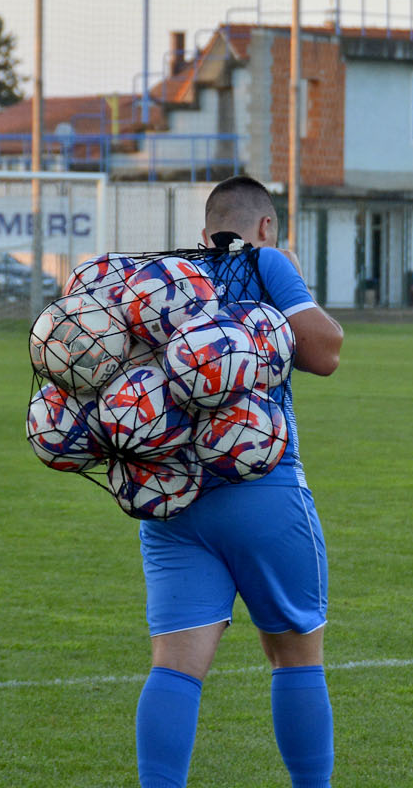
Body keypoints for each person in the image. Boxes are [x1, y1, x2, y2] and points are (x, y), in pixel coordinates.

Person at [133, 174, 344, 788]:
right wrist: (288, 278)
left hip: (170, 494)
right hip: (261, 485)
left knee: (175, 667)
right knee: (295, 657)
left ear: (204, 234)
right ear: (266, 226)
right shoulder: (268, 261)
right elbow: (325, 351)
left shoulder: (170, 282)